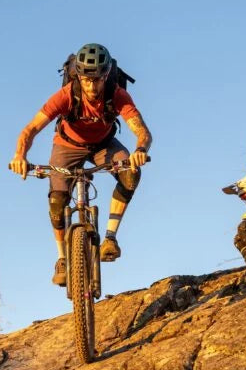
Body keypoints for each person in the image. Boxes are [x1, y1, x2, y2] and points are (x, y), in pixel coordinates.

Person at [9, 43, 152, 286]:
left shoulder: (116, 95)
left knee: (130, 173)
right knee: (57, 200)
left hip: (103, 145)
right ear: (78, 76)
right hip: (67, 146)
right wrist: (20, 156)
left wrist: (139, 151)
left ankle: (110, 238)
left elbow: (143, 132)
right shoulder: (66, 95)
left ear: (106, 76)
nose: (91, 86)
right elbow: (30, 129)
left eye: (96, 80)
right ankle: (63, 258)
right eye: (86, 79)